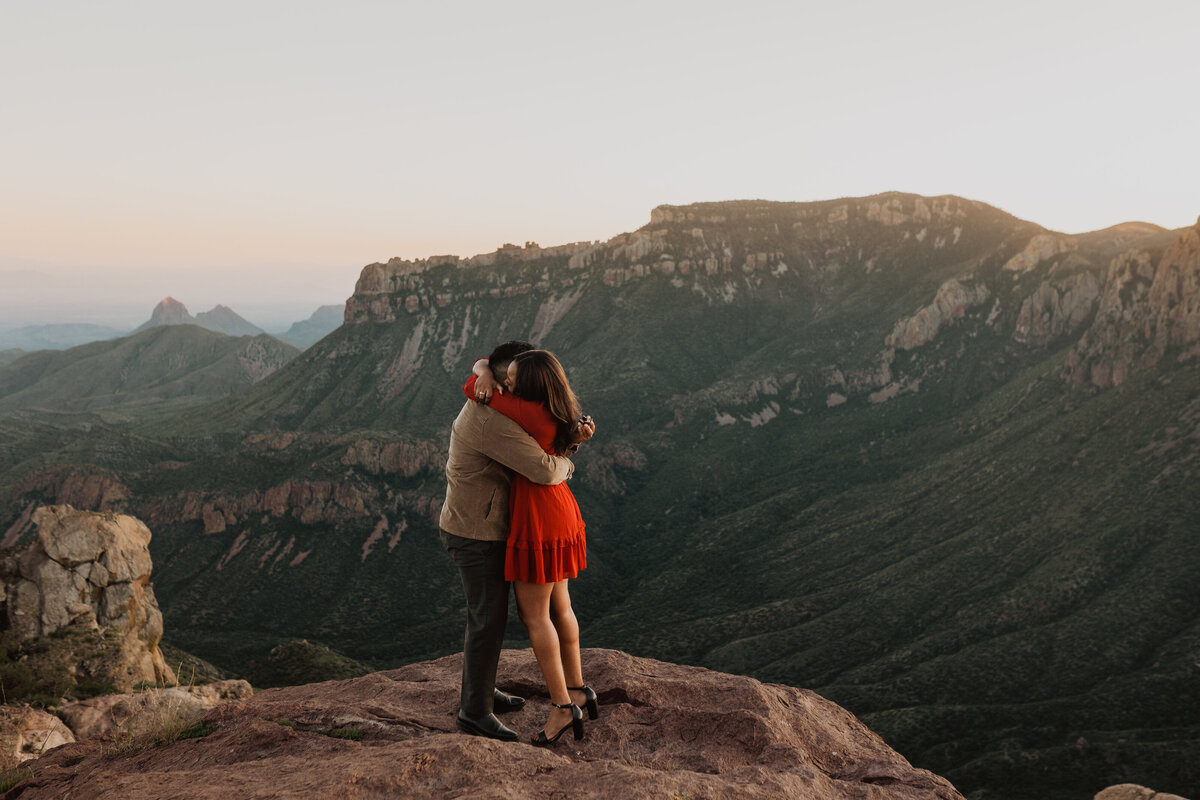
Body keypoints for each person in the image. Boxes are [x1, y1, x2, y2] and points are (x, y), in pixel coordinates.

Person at [438, 341, 593, 743]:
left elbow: (490, 374)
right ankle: (474, 712)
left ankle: (482, 691)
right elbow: (543, 469)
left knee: (492, 619)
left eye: (512, 381)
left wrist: (483, 370)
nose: (509, 387)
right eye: (506, 380)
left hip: (495, 524)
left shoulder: (501, 400)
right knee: (488, 620)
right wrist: (569, 459)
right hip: (476, 530)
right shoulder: (493, 418)